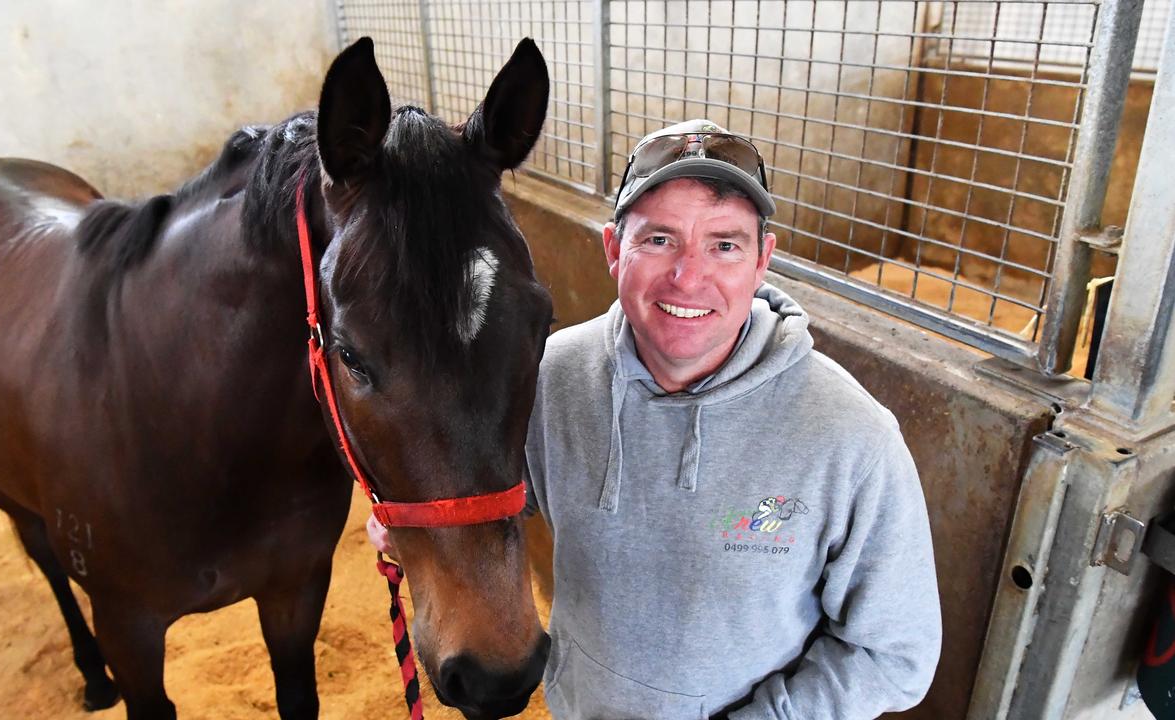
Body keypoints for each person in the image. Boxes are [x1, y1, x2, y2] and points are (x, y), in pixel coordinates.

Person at [370, 119, 941, 719]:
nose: (689, 277)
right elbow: (507, 489)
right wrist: (420, 515)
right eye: (660, 240)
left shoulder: (852, 439)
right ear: (614, 249)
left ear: (762, 260)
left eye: (725, 245)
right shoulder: (552, 375)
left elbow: (897, 656)